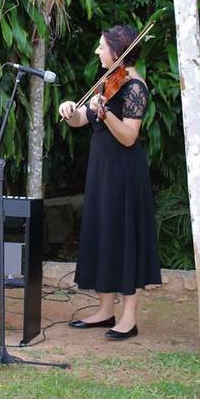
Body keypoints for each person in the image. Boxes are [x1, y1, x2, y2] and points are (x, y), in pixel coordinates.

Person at [58, 25, 161, 341]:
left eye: (101, 47)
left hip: (125, 173)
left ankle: (129, 318)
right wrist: (69, 111)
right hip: (102, 170)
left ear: (118, 52)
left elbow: (129, 136)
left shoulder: (135, 88)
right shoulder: (108, 82)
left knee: (125, 237)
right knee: (103, 233)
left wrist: (106, 116)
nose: (97, 52)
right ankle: (105, 310)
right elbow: (83, 119)